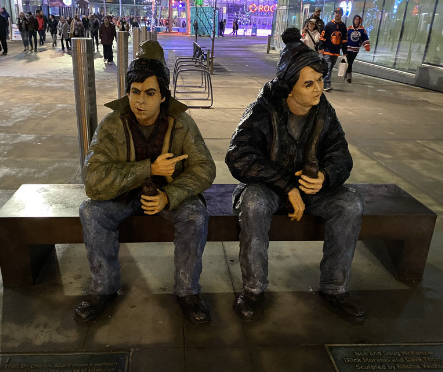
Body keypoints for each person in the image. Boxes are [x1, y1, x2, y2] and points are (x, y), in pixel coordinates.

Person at [225, 27, 366, 324]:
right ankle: (253, 289)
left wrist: (326, 177)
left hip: (311, 192)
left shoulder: (324, 112)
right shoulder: (262, 110)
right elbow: (238, 156)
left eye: (319, 80)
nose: (318, 88)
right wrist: (286, 184)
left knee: (350, 203)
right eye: (309, 83)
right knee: (253, 203)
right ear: (290, 87)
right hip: (270, 190)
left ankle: (334, 288)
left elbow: (341, 156)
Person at [74, 40, 216, 325]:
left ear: (163, 96)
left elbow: (205, 168)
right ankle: (103, 287)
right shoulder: (114, 124)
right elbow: (92, 180)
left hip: (166, 196)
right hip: (123, 196)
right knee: (91, 212)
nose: (140, 101)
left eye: (150, 93)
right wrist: (148, 169)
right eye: (134, 92)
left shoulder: (181, 123)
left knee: (195, 214)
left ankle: (187, 291)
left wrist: (170, 195)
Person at [318, 7, 348, 91]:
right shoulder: (329, 25)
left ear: (341, 14)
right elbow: (322, 37)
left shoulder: (343, 26)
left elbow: (344, 40)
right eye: (336, 13)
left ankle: (322, 82)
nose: (337, 14)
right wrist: (321, 47)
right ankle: (326, 84)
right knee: (328, 66)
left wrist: (345, 52)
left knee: (330, 68)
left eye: (339, 13)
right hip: (327, 50)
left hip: (336, 51)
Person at [346, 15, 370, 83]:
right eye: (356, 19)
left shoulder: (362, 29)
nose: (357, 21)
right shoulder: (349, 29)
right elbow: (345, 38)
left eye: (358, 19)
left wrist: (366, 45)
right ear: (353, 20)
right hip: (348, 49)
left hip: (355, 50)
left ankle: (347, 72)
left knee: (350, 62)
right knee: (349, 62)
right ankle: (349, 76)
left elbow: (365, 38)